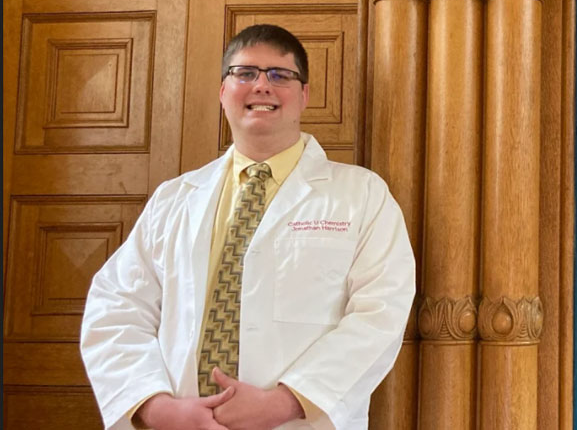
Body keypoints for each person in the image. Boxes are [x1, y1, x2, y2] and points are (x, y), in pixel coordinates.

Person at [81, 24, 416, 430]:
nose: (262, 86)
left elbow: (381, 312)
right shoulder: (174, 200)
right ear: (223, 91)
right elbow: (116, 309)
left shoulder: (361, 195)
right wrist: (155, 407)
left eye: (280, 75)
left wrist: (288, 401)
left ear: (304, 96)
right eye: (245, 73)